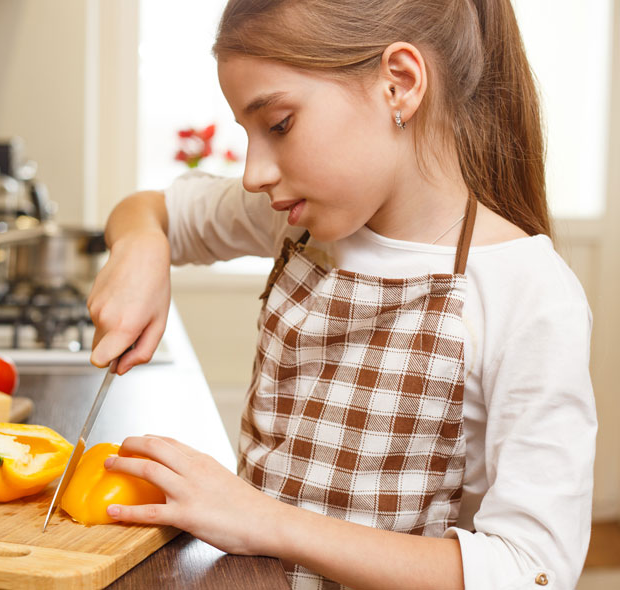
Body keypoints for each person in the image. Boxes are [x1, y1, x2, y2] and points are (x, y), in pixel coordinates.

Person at [87, 0, 597, 588]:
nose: (254, 173)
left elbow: (530, 570)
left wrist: (261, 521)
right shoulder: (293, 220)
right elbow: (154, 211)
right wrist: (139, 249)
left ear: (398, 84)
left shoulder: (528, 294)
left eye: (278, 124)